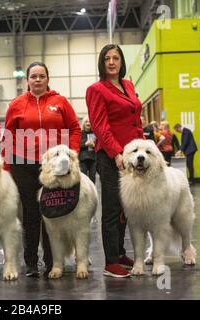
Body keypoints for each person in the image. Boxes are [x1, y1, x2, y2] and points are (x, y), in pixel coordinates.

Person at [4, 61, 81, 277]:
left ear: (48, 79)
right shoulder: (16, 104)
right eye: (33, 76)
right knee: (30, 214)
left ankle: (52, 261)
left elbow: (74, 128)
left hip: (54, 167)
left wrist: (71, 153)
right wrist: (7, 165)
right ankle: (30, 263)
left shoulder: (60, 102)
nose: (37, 80)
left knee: (52, 213)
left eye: (41, 76)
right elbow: (9, 135)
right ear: (27, 80)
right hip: (24, 166)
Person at [86, 44, 144, 278]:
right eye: (107, 58)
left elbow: (135, 120)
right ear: (102, 63)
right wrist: (116, 153)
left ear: (121, 61)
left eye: (116, 58)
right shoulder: (96, 89)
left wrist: (142, 148)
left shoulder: (128, 85)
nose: (111, 62)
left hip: (133, 156)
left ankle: (120, 253)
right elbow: (100, 126)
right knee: (111, 208)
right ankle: (111, 262)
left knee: (125, 207)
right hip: (111, 157)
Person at [79, 116, 97, 183]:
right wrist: (85, 144)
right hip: (83, 159)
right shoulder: (80, 133)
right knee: (83, 177)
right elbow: (77, 145)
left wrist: (94, 145)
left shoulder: (95, 133)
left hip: (93, 159)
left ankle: (92, 191)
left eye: (89, 122)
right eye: (86, 122)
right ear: (83, 124)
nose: (88, 123)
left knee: (93, 177)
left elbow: (98, 145)